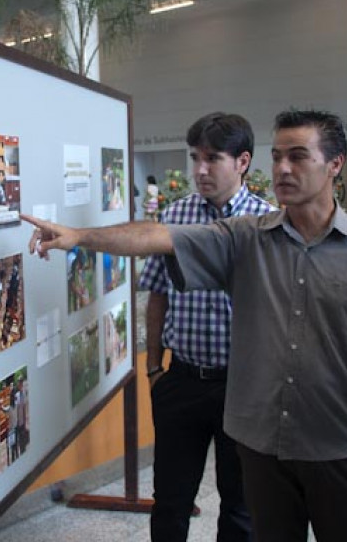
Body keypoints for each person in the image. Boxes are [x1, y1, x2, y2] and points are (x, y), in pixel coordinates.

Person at [24, 109, 347, 542]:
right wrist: (80, 236)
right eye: (278, 156)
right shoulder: (245, 237)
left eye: (298, 157)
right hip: (264, 446)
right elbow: (159, 237)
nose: (283, 168)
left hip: (340, 447)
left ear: (335, 164)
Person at [140, 112, 274, 542]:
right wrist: (154, 369)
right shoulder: (174, 218)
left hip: (244, 386)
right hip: (182, 380)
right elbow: (157, 294)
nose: (199, 170)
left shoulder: (268, 223)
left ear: (243, 162)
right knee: (171, 502)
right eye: (195, 157)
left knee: (241, 505)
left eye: (212, 158)